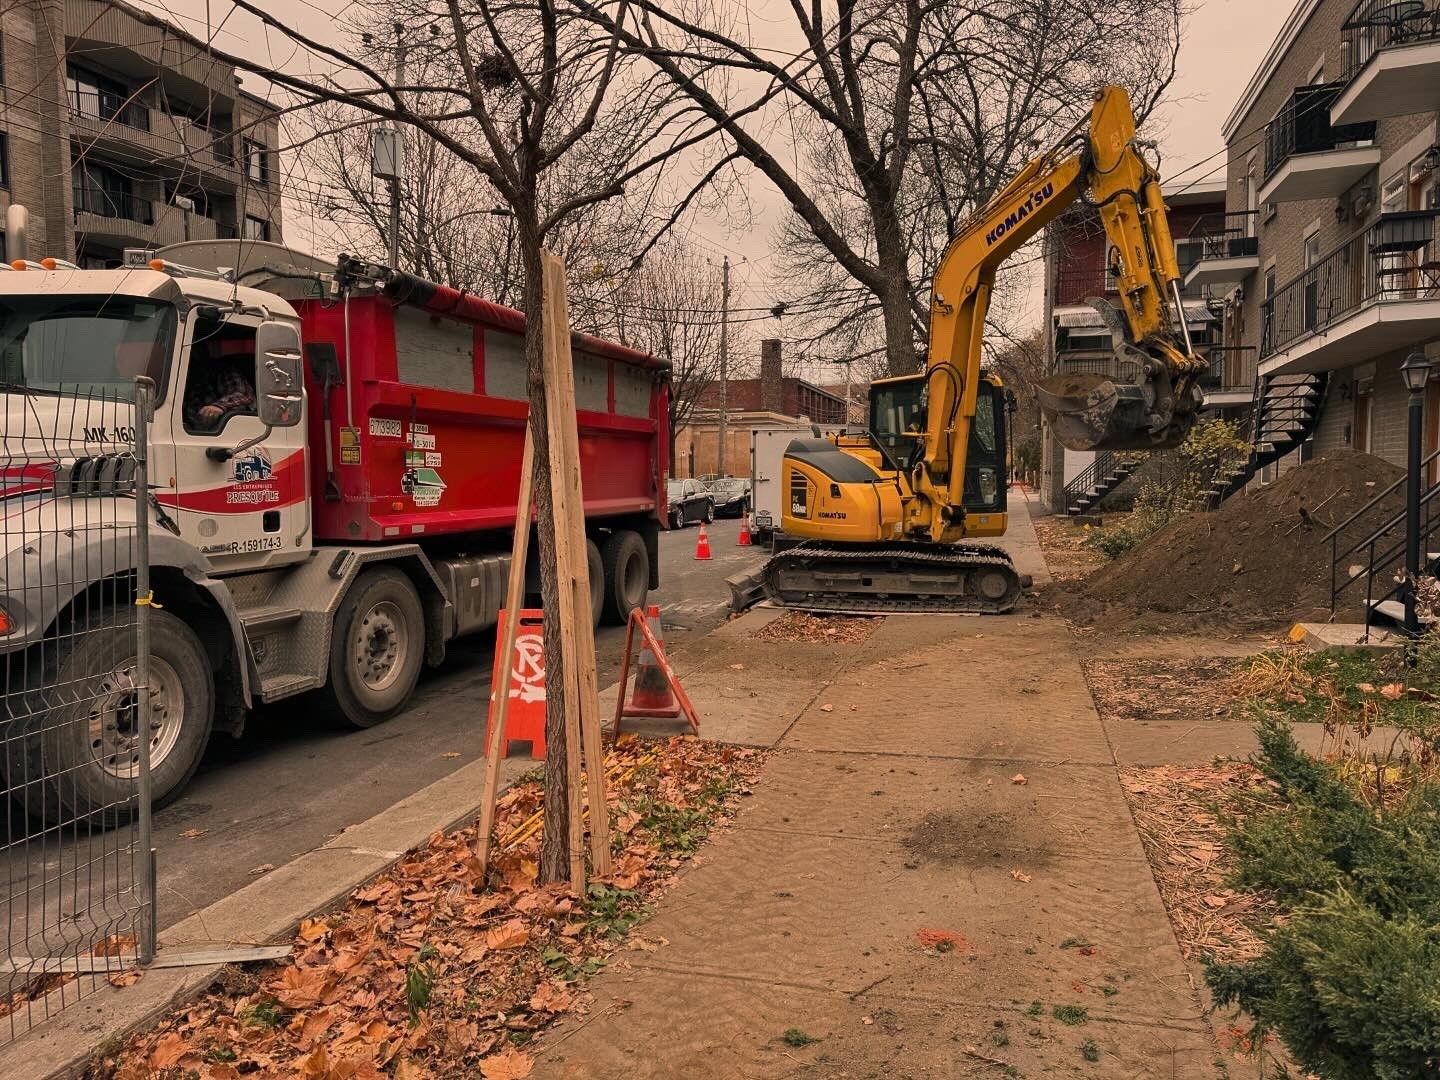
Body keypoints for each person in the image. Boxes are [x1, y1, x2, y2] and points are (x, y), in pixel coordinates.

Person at [184, 339, 256, 431]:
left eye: (193, 355)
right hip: (194, 434)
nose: (191, 361)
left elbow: (243, 396)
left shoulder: (222, 370)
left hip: (233, 433)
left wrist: (218, 407)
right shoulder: (183, 382)